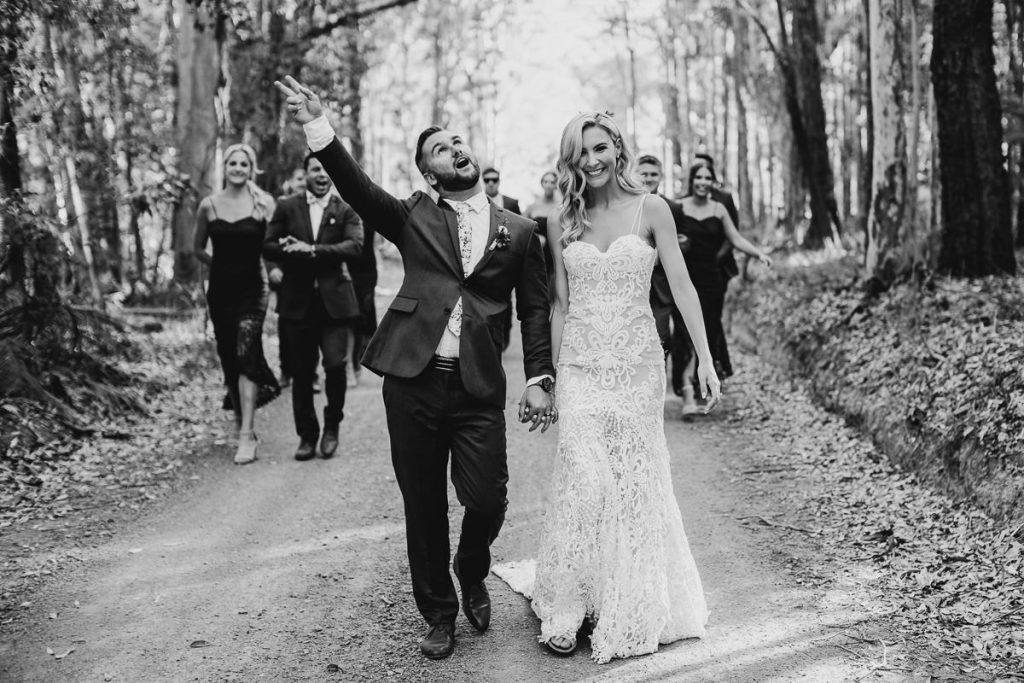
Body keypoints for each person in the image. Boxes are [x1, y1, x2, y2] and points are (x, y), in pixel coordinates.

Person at [275, 75, 556, 661]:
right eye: (439, 148)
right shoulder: (409, 216)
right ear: (430, 175)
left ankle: (471, 566)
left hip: (478, 385)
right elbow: (355, 185)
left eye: (458, 140)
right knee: (422, 503)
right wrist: (317, 124)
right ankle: (438, 612)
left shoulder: (522, 231)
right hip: (413, 380)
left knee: (487, 500)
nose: (455, 148)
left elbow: (533, 310)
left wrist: (537, 377)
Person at [529, 111, 722, 663]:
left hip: (638, 366)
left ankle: (628, 603)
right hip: (583, 368)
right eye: (579, 153)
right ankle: (566, 606)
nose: (590, 161)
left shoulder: (652, 208)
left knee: (633, 482)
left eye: (598, 148)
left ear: (617, 148)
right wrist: (550, 375)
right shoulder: (562, 220)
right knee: (585, 478)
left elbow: (682, 288)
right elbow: (560, 304)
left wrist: (705, 359)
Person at [264, 153, 364, 461]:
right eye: (315, 169)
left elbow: (355, 246)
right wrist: (290, 251)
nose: (322, 174)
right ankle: (307, 435)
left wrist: (313, 250)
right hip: (297, 303)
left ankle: (331, 427)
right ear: (305, 173)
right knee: (302, 373)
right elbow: (268, 244)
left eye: (325, 169)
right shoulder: (287, 206)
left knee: (335, 367)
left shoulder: (345, 208)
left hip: (334, 305)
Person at [192, 143, 281, 465]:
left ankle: (247, 435)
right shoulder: (209, 205)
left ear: (252, 167)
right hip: (220, 291)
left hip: (253, 289)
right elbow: (197, 248)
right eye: (233, 163)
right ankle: (240, 423)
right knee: (230, 358)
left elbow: (273, 245)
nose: (239, 168)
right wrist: (220, 265)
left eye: (245, 163)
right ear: (225, 167)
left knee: (246, 352)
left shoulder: (263, 203)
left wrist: (274, 270)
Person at [677, 160, 772, 416]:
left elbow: (736, 238)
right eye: (699, 178)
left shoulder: (719, 209)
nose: (703, 183)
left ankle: (704, 384)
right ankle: (686, 389)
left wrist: (758, 253)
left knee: (708, 330)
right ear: (692, 180)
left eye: (708, 178)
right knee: (685, 334)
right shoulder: (678, 207)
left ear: (712, 182)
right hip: (684, 278)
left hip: (712, 280)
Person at [636, 154, 690, 394]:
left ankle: (659, 386)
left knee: (662, 337)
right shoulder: (627, 206)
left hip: (663, 284)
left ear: (661, 176)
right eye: (644, 173)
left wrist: (661, 253)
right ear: (635, 173)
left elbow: (686, 241)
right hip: (634, 283)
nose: (648, 178)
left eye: (653, 174)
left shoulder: (674, 207)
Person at [482, 167, 521, 350]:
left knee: (506, 299)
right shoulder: (478, 202)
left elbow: (520, 229)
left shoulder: (511, 203)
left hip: (508, 259)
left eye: (494, 180)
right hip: (484, 258)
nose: (491, 183)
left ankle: (504, 336)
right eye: (487, 179)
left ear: (499, 181)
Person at [348, 216, 378, 387]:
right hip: (347, 269)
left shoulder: (369, 213)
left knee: (364, 313)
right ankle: (351, 363)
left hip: (367, 270)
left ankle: (361, 355)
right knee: (352, 317)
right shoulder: (345, 213)